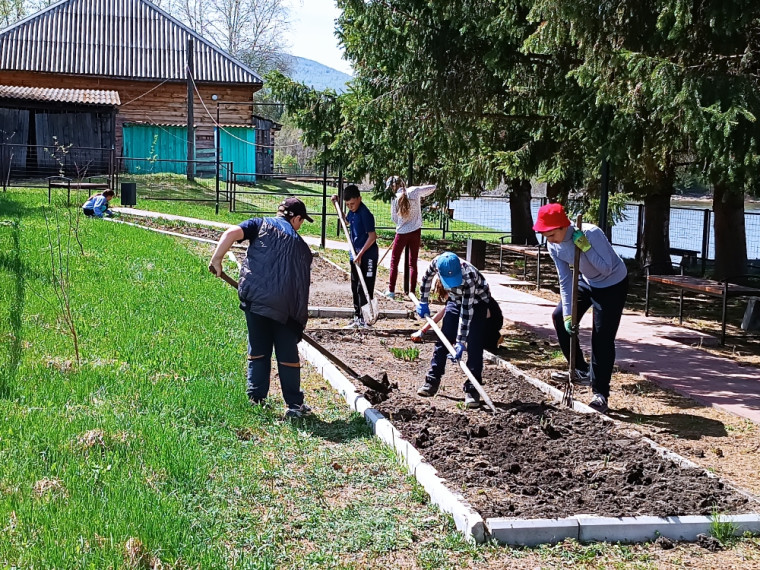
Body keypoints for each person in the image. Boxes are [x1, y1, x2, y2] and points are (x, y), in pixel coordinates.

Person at [208, 197, 314, 418]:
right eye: (301, 221)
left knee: (258, 350)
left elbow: (229, 234)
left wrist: (217, 260)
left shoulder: (259, 224)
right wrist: (297, 322)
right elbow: (301, 289)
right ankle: (294, 406)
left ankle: (256, 400)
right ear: (295, 218)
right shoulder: (302, 248)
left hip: (255, 303)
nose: (300, 226)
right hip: (285, 311)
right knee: (287, 355)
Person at [533, 202, 628, 414]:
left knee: (601, 337)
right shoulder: (554, 245)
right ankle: (582, 370)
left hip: (611, 284)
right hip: (587, 281)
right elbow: (565, 280)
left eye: (550, 234)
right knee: (559, 317)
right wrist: (568, 314)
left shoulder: (591, 233)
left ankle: (600, 394)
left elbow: (605, 269)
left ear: (562, 227)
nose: (548, 240)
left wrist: (585, 248)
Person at [415, 251, 495, 408]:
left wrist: (460, 342)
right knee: (444, 338)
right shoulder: (437, 263)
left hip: (477, 302)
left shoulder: (469, 277)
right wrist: (423, 302)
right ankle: (432, 381)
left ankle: (472, 389)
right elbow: (426, 279)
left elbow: (466, 313)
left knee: (474, 343)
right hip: (455, 299)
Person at [411, 276, 504, 353]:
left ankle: (495, 338)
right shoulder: (455, 297)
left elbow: (486, 315)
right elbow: (442, 313)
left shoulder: (470, 294)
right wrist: (422, 331)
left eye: (446, 295)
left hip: (491, 321)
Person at [383, 176, 436, 298]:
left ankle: (391, 291)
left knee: (394, 262)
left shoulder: (395, 199)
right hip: (416, 231)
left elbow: (394, 218)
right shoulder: (414, 191)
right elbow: (432, 188)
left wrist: (402, 224)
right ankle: (412, 291)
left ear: (393, 187)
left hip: (401, 233)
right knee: (413, 263)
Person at [337, 184, 378, 328]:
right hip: (355, 254)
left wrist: (361, 254)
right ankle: (357, 317)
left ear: (359, 199)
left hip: (367, 255)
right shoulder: (352, 212)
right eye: (347, 205)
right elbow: (347, 221)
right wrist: (337, 207)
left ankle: (366, 318)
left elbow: (372, 236)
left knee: (365, 287)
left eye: (352, 204)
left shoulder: (365, 213)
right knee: (355, 286)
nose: (350, 207)